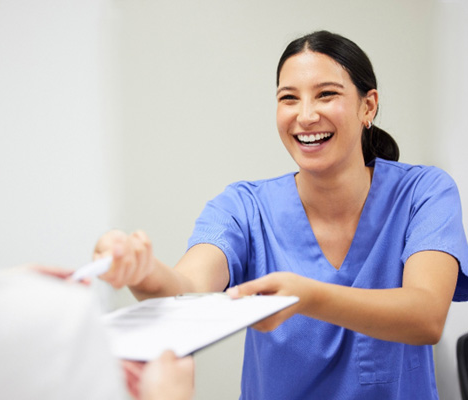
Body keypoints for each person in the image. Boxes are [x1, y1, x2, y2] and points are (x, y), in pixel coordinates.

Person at [93, 30, 468, 399]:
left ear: (367, 106)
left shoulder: (424, 193)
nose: (305, 116)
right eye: (289, 98)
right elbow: (188, 290)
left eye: (326, 94)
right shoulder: (244, 207)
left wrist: (306, 297)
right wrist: (143, 271)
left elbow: (426, 315)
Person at [0, 4, 194, 400]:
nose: (306, 115)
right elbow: (197, 291)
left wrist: (0, 290)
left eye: (327, 94)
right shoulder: (55, 324)